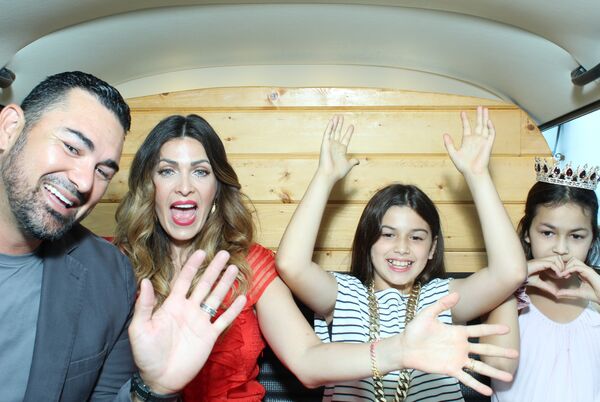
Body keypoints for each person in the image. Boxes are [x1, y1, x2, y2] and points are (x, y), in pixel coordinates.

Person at [114, 113, 520, 402]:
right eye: (168, 171)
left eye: (201, 172)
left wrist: (478, 176)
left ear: (217, 188)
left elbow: (308, 360)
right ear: (149, 184)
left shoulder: (250, 265)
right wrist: (325, 176)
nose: (185, 186)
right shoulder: (111, 263)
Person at [0, 71, 246, 402]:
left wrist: (153, 388)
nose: (84, 182)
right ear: (9, 128)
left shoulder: (110, 276)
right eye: (72, 147)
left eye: (103, 171)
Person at [275, 107, 528, 401]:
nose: (402, 247)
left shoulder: (443, 299)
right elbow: (291, 264)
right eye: (388, 234)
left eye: (416, 237)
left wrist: (478, 176)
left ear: (432, 248)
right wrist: (325, 177)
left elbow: (511, 272)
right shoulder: (342, 294)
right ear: (368, 240)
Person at [483, 157, 600, 401]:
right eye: (547, 233)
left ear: (592, 240)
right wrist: (512, 283)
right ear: (527, 232)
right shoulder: (503, 297)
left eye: (576, 236)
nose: (561, 249)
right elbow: (498, 365)